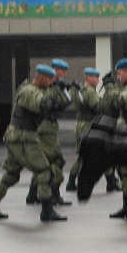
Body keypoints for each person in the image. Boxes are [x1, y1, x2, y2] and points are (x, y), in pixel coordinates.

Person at [0, 64, 65, 222]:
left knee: (11, 175)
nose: (51, 82)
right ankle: (47, 211)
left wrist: (61, 93)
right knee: (44, 171)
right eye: (49, 79)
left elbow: (53, 107)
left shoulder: (35, 90)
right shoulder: (29, 91)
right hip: (24, 137)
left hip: (18, 137)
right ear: (41, 77)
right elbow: (43, 104)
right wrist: (56, 91)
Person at [102, 58, 127, 220]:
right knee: (124, 168)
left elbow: (120, 102)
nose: (118, 77)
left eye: (119, 74)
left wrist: (109, 86)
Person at [31, 58, 71, 206]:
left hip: (48, 127)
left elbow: (63, 104)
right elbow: (48, 104)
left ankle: (33, 194)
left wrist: (65, 90)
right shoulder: (47, 87)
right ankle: (53, 194)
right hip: (45, 127)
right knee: (55, 160)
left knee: (44, 162)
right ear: (55, 70)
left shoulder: (53, 86)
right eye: (63, 71)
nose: (65, 74)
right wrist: (57, 89)